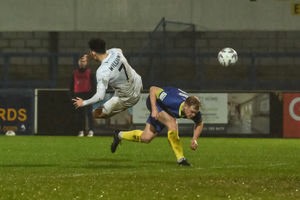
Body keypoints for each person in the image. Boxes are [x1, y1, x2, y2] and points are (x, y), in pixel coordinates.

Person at [111, 86, 204, 166]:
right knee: (172, 123)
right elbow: (153, 89)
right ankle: (181, 160)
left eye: (195, 113)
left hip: (166, 109)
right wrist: (154, 109)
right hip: (155, 103)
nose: (193, 115)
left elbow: (199, 123)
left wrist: (194, 139)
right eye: (192, 112)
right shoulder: (172, 100)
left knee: (146, 138)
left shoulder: (195, 112)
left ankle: (119, 135)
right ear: (185, 106)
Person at [72, 38, 143, 121]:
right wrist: (90, 56)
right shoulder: (115, 51)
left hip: (128, 97)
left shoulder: (102, 71)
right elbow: (119, 50)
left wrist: (83, 103)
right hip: (138, 83)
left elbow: (99, 97)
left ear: (93, 52)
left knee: (96, 114)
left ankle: (122, 131)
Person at [70, 62, 96, 137]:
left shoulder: (90, 72)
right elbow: (71, 85)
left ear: (86, 63)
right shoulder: (74, 73)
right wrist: (72, 96)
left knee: (89, 113)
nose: (82, 63)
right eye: (81, 61)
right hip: (78, 95)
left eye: (84, 61)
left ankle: (91, 131)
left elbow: (94, 85)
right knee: (80, 114)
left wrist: (92, 96)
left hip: (88, 95)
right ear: (78, 63)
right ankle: (81, 131)